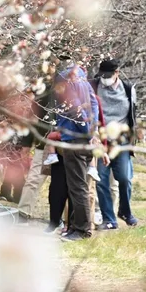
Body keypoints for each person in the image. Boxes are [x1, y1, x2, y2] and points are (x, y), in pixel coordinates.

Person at [52, 57, 100, 241]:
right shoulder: (82, 78)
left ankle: (81, 230)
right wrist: (93, 130)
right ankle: (74, 227)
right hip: (85, 138)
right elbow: (93, 104)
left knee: (77, 186)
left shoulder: (65, 79)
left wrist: (87, 133)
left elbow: (75, 110)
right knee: (78, 185)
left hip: (75, 138)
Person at [90, 59, 139, 229]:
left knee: (124, 178)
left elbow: (133, 114)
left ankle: (125, 211)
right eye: (102, 75)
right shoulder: (94, 86)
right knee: (102, 180)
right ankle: (109, 219)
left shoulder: (128, 89)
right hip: (101, 140)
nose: (105, 78)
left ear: (117, 73)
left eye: (108, 75)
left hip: (121, 141)